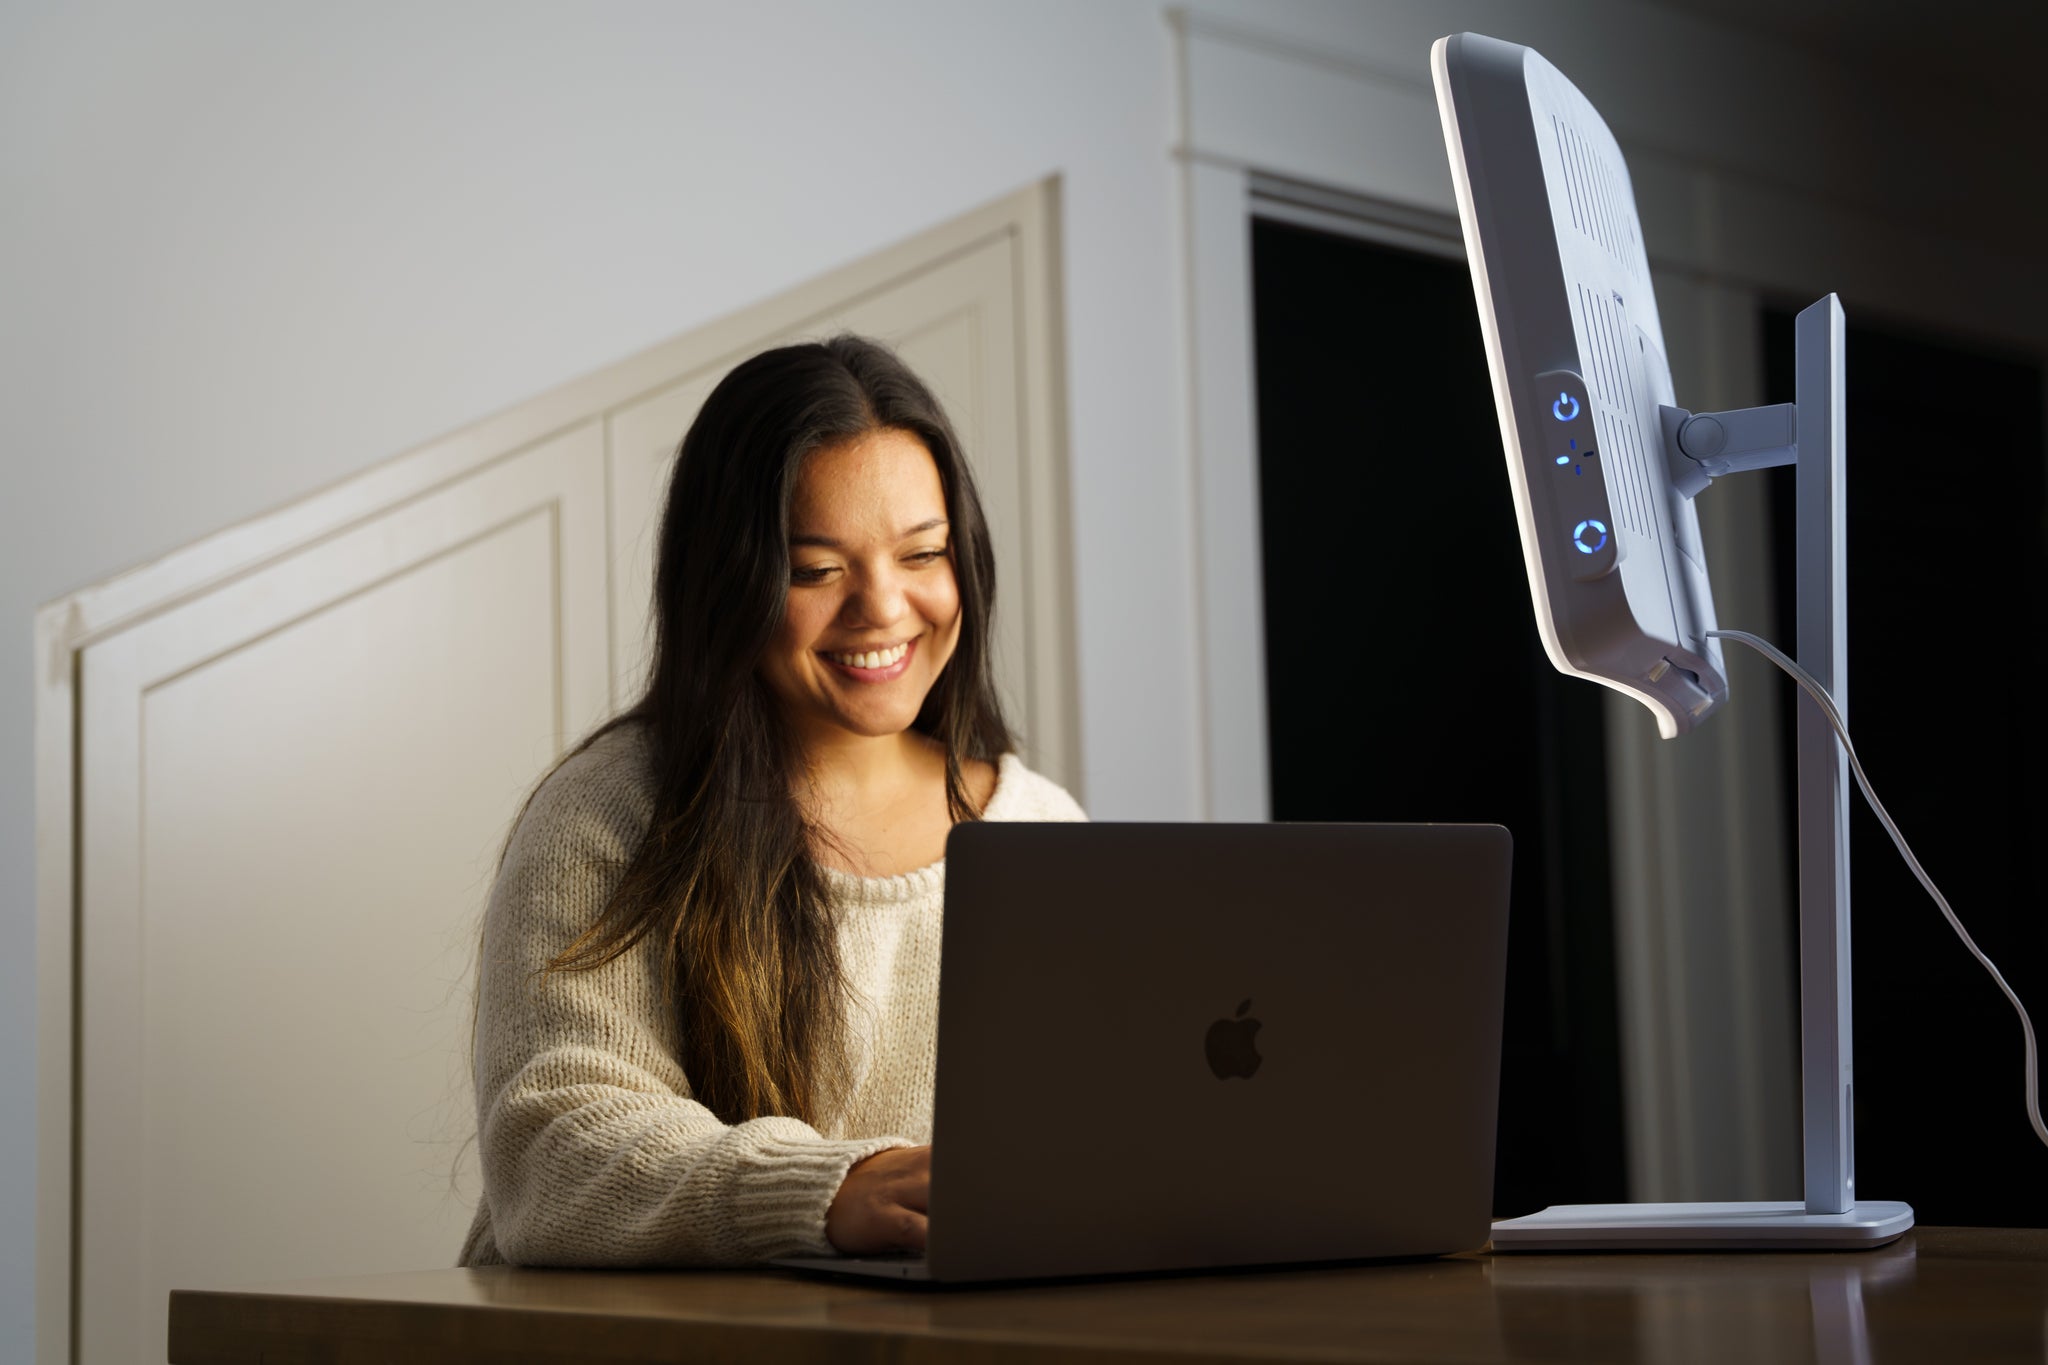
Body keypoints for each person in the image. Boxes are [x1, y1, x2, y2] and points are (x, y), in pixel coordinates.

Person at [456, 334, 1087, 1269]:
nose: (883, 607)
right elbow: (553, 1148)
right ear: (730, 582)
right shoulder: (610, 817)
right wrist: (825, 1192)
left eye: (924, 553)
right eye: (816, 569)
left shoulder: (1044, 833)